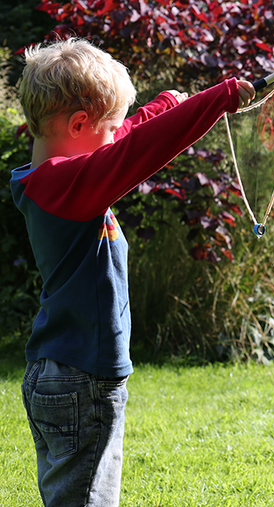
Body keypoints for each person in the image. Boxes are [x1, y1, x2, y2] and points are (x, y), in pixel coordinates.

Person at [12, 38, 255, 506]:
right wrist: (219, 98)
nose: (115, 135)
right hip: (81, 377)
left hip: (67, 373)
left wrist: (166, 105)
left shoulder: (53, 179)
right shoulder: (62, 184)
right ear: (79, 124)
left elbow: (122, 139)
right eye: (108, 126)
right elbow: (134, 152)